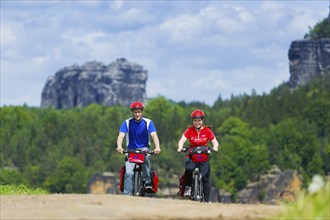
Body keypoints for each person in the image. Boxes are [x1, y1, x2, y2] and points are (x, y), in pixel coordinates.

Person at [116, 101, 161, 195]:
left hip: (144, 148)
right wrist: (119, 147)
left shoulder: (148, 123)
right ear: (132, 112)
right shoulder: (127, 123)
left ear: (142, 112)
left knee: (146, 157)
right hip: (131, 150)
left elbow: (154, 135)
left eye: (139, 112)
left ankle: (147, 181)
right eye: (135, 112)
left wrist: (157, 147)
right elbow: (121, 136)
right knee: (128, 173)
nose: (137, 114)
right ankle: (127, 194)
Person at [177, 109, 219, 202]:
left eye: (199, 120)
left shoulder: (207, 131)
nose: (197, 122)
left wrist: (215, 147)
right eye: (195, 120)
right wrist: (180, 147)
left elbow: (215, 142)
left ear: (202, 120)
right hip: (192, 156)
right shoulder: (189, 130)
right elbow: (182, 140)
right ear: (193, 121)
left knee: (205, 179)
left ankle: (207, 201)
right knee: (188, 169)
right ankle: (188, 188)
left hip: (204, 158)